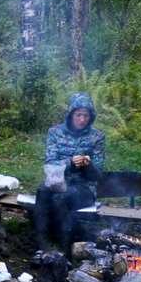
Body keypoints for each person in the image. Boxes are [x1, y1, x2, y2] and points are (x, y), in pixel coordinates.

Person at [33, 93, 105, 265]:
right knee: (42, 191)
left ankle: (65, 252)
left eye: (86, 115)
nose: (82, 119)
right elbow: (51, 163)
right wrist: (70, 163)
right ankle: (42, 248)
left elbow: (97, 175)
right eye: (78, 114)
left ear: (91, 117)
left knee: (60, 198)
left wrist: (88, 165)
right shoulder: (55, 132)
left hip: (83, 187)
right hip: (57, 181)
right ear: (70, 114)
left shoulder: (97, 136)